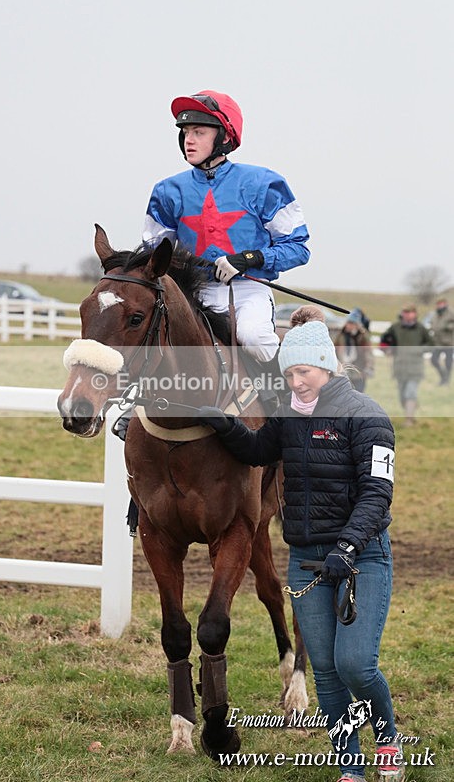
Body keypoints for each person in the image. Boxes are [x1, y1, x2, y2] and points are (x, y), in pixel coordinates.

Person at [197, 318, 404, 782]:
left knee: (355, 664)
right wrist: (222, 422)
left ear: (327, 367)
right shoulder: (288, 417)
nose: (295, 382)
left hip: (363, 555)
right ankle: (349, 765)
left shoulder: (367, 416)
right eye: (289, 375)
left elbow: (377, 494)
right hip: (307, 560)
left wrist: (349, 546)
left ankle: (387, 739)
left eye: (304, 372)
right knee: (327, 670)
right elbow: (254, 450)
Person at [142, 89, 310, 377]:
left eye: (199, 131)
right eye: (184, 132)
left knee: (255, 339)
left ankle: (287, 407)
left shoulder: (264, 183)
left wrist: (249, 258)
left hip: (247, 291)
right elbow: (154, 253)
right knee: (144, 339)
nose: (188, 139)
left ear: (223, 137)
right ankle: (129, 415)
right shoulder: (167, 191)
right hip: (191, 294)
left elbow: (298, 248)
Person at [380, 305, 434, 426]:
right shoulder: (395, 327)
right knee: (402, 395)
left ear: (415, 314)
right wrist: (387, 349)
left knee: (410, 392)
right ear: (402, 314)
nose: (408, 315)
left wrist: (419, 350)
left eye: (410, 312)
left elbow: (431, 344)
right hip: (399, 367)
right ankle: (411, 408)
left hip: (415, 367)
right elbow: (384, 341)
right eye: (405, 312)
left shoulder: (421, 328)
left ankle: (409, 419)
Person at [334, 308, 374, 392]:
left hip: (359, 373)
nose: (349, 325)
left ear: (357, 324)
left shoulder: (362, 337)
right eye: (348, 322)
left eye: (352, 323)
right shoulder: (340, 336)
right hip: (343, 372)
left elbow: (368, 353)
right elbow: (334, 351)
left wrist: (369, 368)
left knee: (358, 395)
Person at [429, 297, 454, 385]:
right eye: (438, 304)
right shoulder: (435, 313)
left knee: (448, 362)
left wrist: (448, 327)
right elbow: (431, 322)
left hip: (448, 342)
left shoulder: (451, 313)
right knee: (433, 360)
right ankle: (443, 376)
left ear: (445, 303)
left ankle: (446, 380)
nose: (439, 305)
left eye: (441, 303)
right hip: (437, 342)